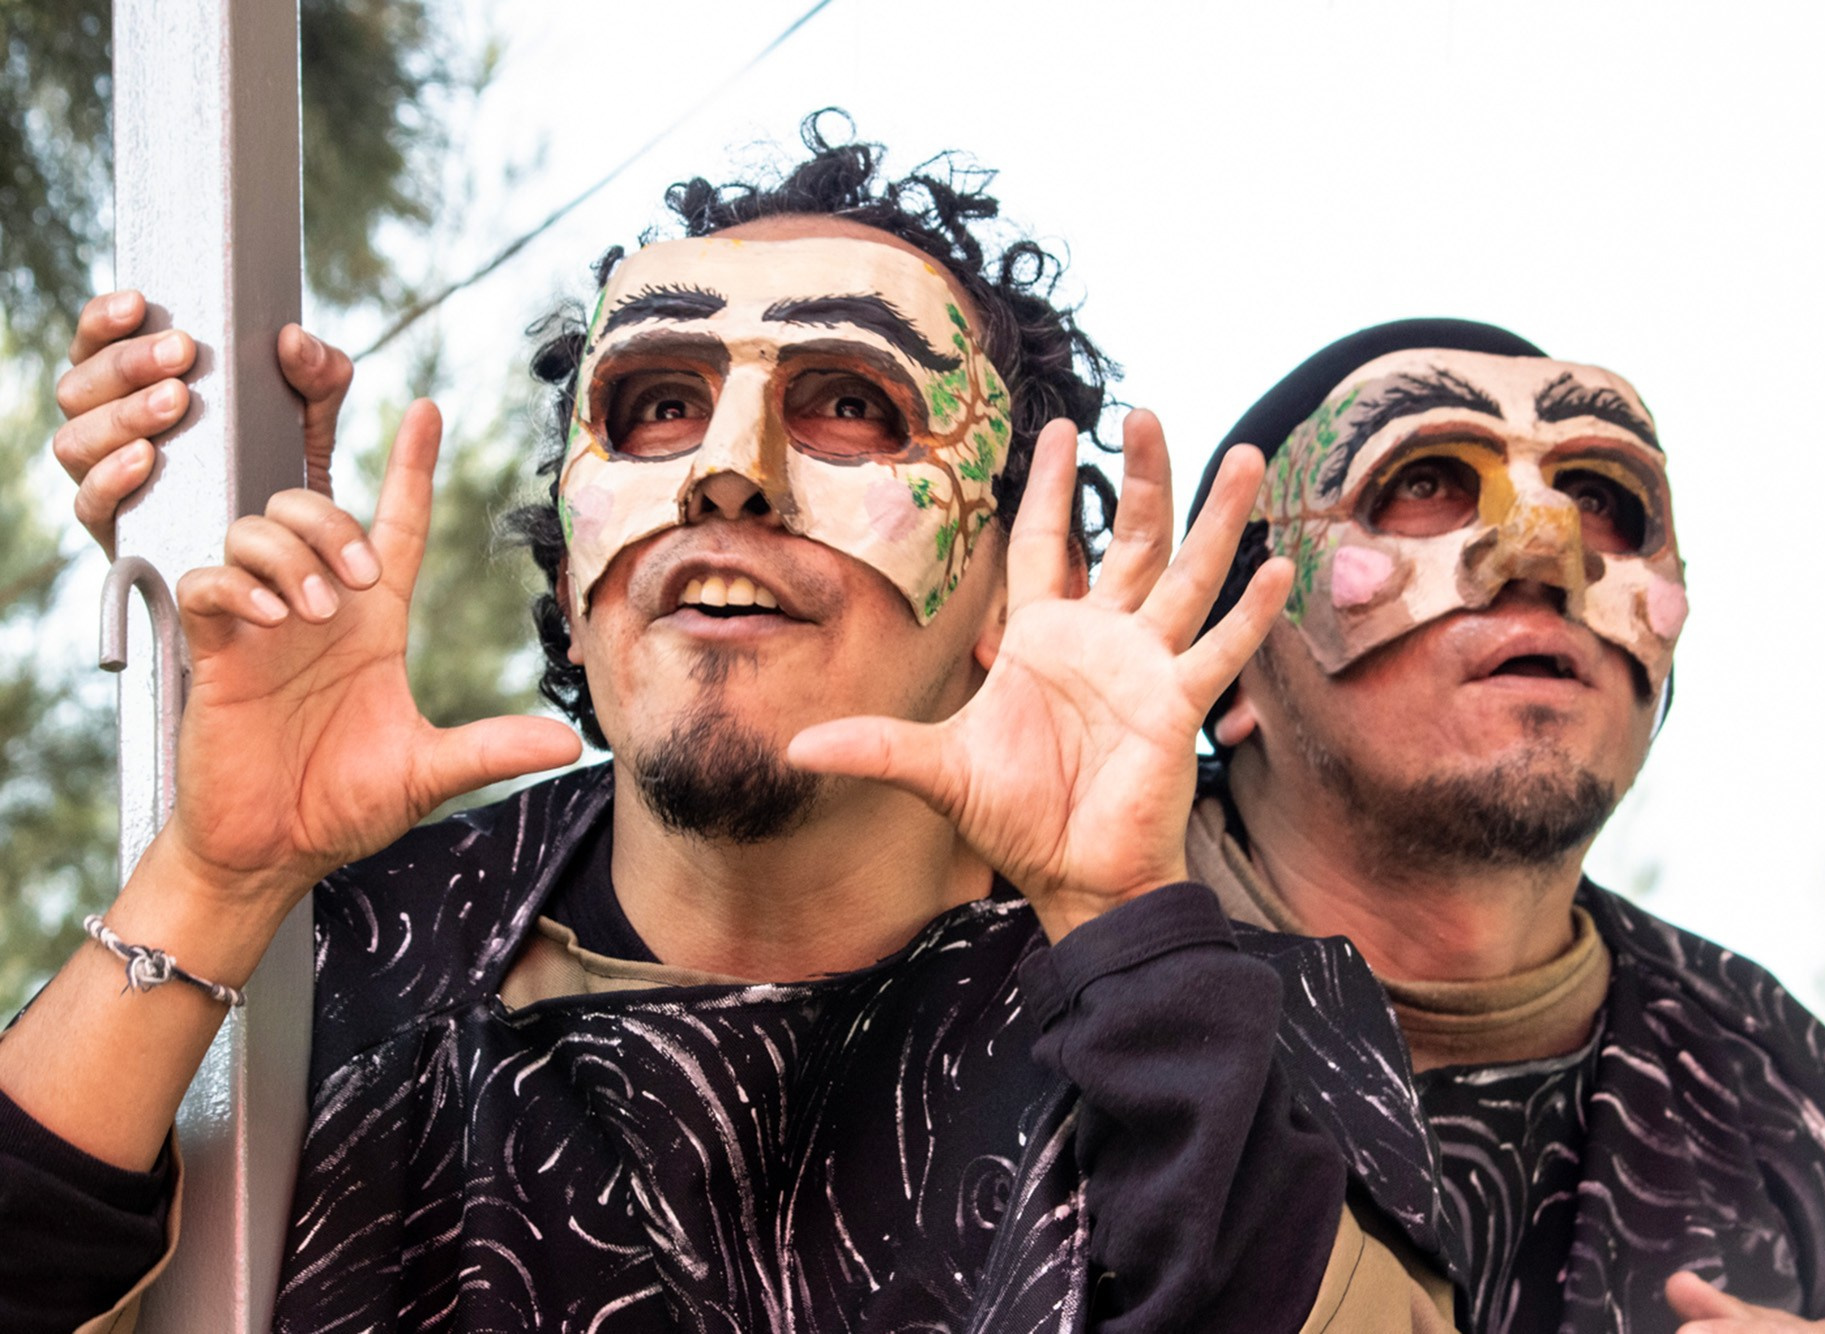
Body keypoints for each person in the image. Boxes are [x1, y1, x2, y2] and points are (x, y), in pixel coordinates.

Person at [3, 131, 1459, 1333]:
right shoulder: (328, 972)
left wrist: (1116, 919)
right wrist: (215, 876)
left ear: (1009, 579)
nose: (729, 475)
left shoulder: (1232, 1011)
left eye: (847, 404)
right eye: (656, 406)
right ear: (573, 580)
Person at [1183, 318, 1825, 1332]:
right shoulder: (1026, 982)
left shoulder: (1773, 1089)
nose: (1544, 548)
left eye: (1603, 499)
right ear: (1228, 664)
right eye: (1426, 480)